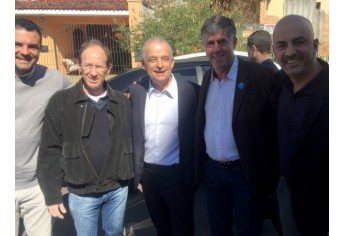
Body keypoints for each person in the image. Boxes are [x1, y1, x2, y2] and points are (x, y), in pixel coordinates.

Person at [37, 39, 133, 236]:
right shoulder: (61, 102)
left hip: (117, 188)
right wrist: (52, 195)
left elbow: (133, 139)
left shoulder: (122, 102)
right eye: (88, 65)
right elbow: (50, 150)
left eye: (99, 66)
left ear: (109, 68)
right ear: (79, 65)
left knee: (114, 233)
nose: (93, 72)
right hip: (82, 192)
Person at [195, 15, 280, 236]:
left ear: (233, 43)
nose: (216, 48)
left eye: (222, 41)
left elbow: (278, 125)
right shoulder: (207, 79)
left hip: (245, 173)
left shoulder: (261, 76)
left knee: (248, 229)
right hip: (213, 173)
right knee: (219, 229)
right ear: (205, 47)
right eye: (210, 43)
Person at [129, 36, 199, 236]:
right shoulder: (136, 92)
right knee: (161, 228)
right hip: (149, 177)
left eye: (165, 58)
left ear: (172, 62)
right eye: (152, 60)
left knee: (183, 229)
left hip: (179, 175)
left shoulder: (192, 92)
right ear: (143, 64)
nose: (160, 65)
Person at [15, 18, 73, 236]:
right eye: (17, 44)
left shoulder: (54, 79)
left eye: (32, 46)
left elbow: (83, 97)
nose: (25, 51)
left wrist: (125, 96)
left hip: (36, 186)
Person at [272, 14, 329, 236]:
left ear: (315, 45)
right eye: (282, 45)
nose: (290, 52)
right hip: (286, 194)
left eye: (299, 42)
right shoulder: (280, 84)